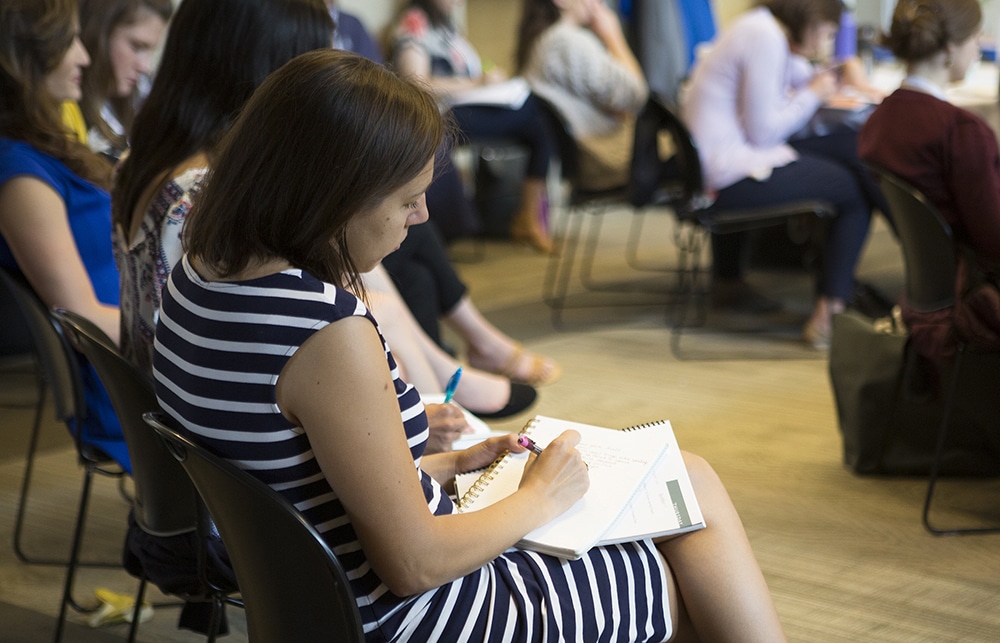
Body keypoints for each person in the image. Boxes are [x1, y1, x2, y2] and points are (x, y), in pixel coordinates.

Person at [155, 47, 787, 642]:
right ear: (335, 199)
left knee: (686, 485)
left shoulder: (202, 270)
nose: (422, 216)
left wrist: (440, 464)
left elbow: (293, 485)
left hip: (308, 599)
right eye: (408, 199)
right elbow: (412, 563)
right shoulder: (326, 333)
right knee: (692, 539)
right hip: (420, 615)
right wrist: (540, 496)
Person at [681, 0, 884, 349]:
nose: (825, 44)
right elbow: (764, 132)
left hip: (714, 166)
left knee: (852, 149)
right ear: (814, 17)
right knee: (853, 187)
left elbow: (794, 77)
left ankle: (729, 282)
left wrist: (824, 81)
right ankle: (828, 315)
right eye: (828, 33)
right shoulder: (764, 36)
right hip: (726, 176)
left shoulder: (757, 27)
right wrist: (813, 93)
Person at [0, 0, 129, 469]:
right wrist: (190, 332)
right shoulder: (19, 173)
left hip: (143, 347)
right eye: (68, 41)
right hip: (125, 377)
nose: (84, 57)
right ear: (25, 55)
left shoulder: (42, 150)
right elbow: (83, 319)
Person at [858, 0, 1000, 361]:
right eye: (974, 38)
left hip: (928, 293)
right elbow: (993, 240)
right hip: (976, 296)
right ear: (950, 47)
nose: (978, 47)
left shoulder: (881, 119)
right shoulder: (961, 131)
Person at [389, 0, 557, 252]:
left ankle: (529, 216)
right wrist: (478, 83)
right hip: (438, 115)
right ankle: (528, 218)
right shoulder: (415, 23)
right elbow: (416, 83)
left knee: (538, 127)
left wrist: (487, 81)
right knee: (537, 115)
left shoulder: (446, 26)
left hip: (465, 105)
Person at [515, 0, 648, 191]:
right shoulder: (568, 42)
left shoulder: (544, 40)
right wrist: (613, 35)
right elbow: (636, 96)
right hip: (607, 157)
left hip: (589, 157)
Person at [78, 0, 173, 160]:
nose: (145, 66)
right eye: (137, 47)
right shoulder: (66, 109)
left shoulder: (137, 102)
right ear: (99, 32)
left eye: (151, 50)